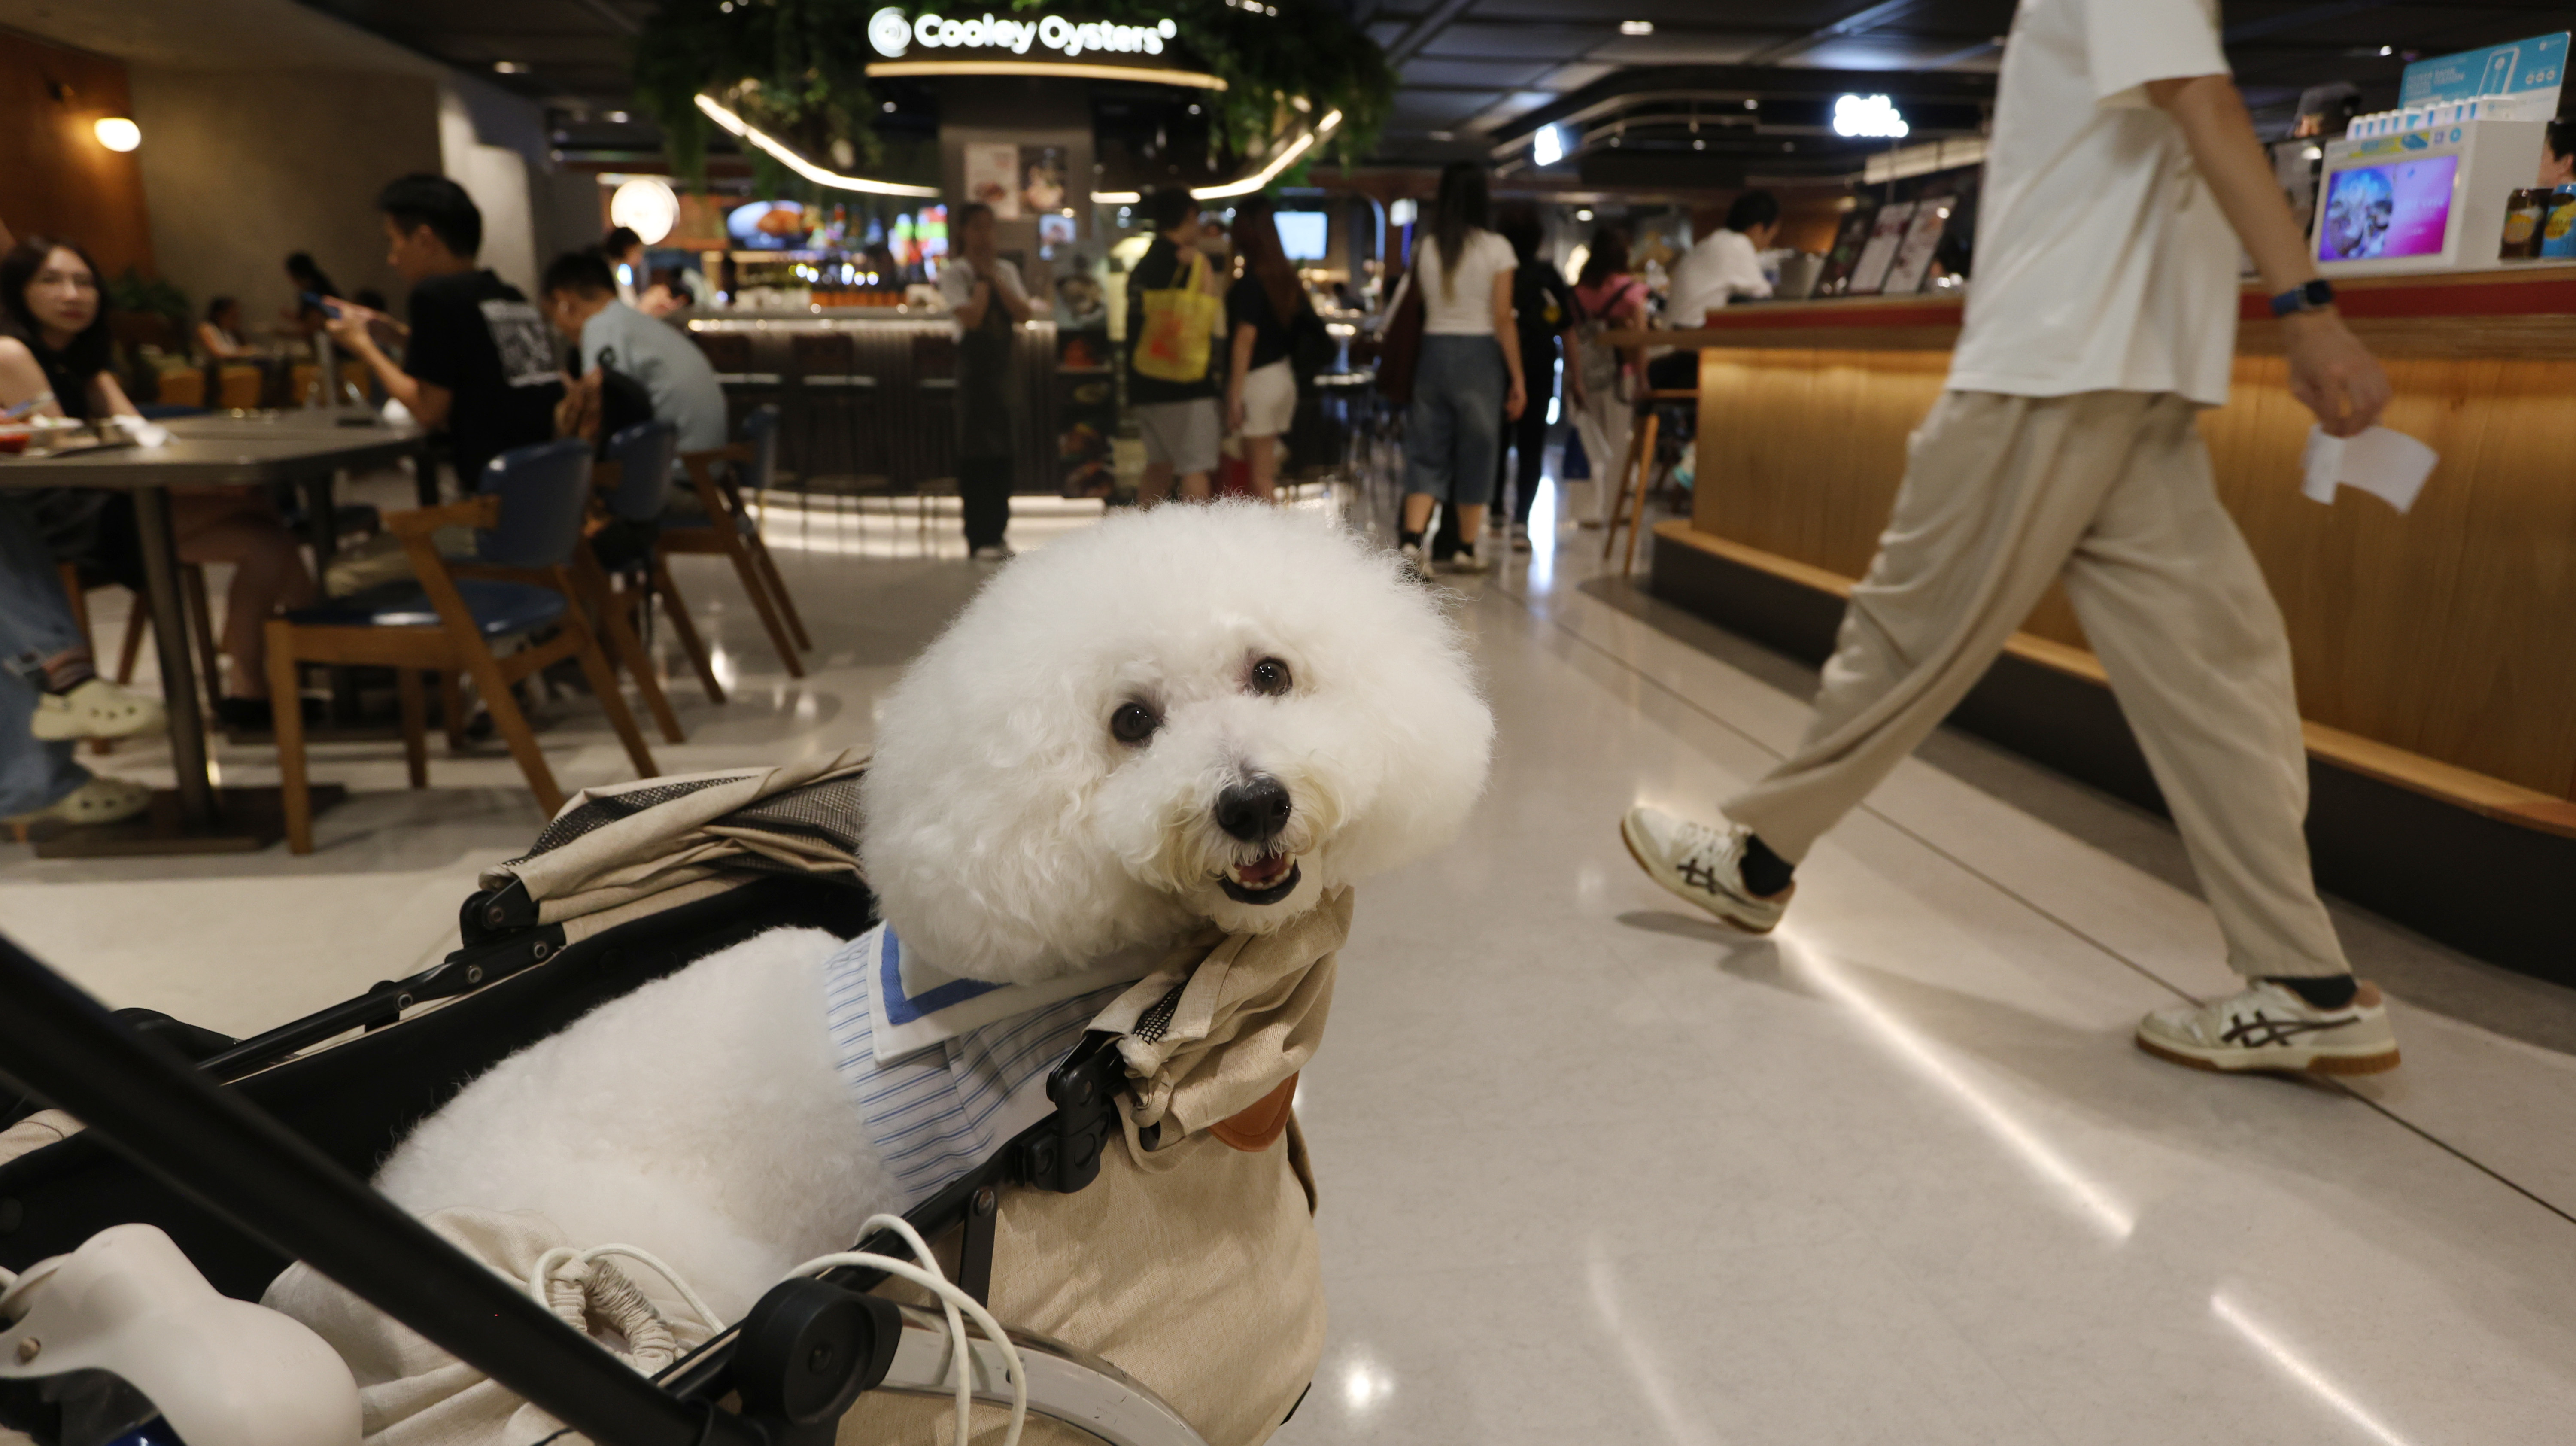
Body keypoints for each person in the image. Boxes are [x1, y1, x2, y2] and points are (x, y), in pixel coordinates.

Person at [1620, 0, 2403, 1076]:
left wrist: (2307, 310)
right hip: (2127, 373)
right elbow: (2188, 114)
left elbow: (2204, 102)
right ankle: (2305, 982)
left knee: (1914, 629)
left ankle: (1755, 865)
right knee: (2215, 680)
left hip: (2056, 362)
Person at [1, 236, 318, 731]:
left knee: (266, 537)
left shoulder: (84, 362)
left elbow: (141, 437)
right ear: (18, 291)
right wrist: (201, 489)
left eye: (84, 282)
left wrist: (195, 480)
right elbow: (74, 456)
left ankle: (255, 680)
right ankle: (309, 643)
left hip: (108, 494)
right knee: (258, 510)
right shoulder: (11, 353)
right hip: (60, 516)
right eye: (52, 281)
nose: (73, 294)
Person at [328, 174, 565, 497]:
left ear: (425, 240)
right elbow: (475, 358)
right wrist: (396, 335)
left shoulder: (434, 295)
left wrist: (364, 347)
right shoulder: (508, 295)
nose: (392, 258)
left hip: (496, 498)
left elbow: (428, 412)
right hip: (549, 486)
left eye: (394, 241)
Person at [1392, 162, 1524, 577]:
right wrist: (1518, 377)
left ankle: (1413, 542)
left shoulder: (1428, 247)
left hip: (1433, 353)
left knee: (1427, 449)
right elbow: (1503, 318)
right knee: (1478, 451)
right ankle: (1465, 548)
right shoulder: (1497, 248)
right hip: (1479, 356)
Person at [538, 249, 726, 461]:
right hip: (707, 461)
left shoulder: (601, 328)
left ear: (565, 303)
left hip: (680, 469)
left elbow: (597, 419)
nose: (558, 329)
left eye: (552, 317)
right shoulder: (631, 321)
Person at [937, 201, 1031, 560]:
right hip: (974, 376)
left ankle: (1000, 533)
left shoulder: (1007, 270)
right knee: (975, 456)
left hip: (1005, 374)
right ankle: (978, 538)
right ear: (963, 232)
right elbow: (973, 318)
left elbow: (1023, 313)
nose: (985, 235)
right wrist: (981, 281)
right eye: (977, 227)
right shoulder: (954, 274)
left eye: (990, 227)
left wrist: (995, 279)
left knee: (1005, 453)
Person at [1127, 188, 1225, 505]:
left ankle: (1143, 532)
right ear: (1189, 216)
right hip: (1185, 382)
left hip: (1144, 377)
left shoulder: (1144, 264)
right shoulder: (1188, 261)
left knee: (1159, 466)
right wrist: (1203, 266)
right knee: (1194, 468)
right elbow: (1207, 311)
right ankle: (1195, 537)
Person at [1494, 204, 1580, 553]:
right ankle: (1520, 522)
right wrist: (1577, 377)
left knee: (1497, 441)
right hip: (1540, 368)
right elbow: (1567, 329)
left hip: (1499, 366)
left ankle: (1495, 511)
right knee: (1532, 446)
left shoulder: (1501, 273)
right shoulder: (1547, 276)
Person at [1222, 197, 1308, 504]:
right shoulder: (1283, 279)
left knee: (1260, 478)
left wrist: (1234, 396)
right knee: (1264, 472)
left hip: (1258, 381)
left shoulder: (1251, 283)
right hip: (1282, 376)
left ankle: (1274, 533)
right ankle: (1271, 529)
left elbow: (1245, 340)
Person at [1569, 227, 1648, 529]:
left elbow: (1570, 335)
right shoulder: (1630, 291)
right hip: (1619, 376)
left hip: (1583, 375)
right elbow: (1640, 339)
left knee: (1587, 443)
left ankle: (1586, 512)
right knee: (1618, 446)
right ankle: (1618, 508)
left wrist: (1575, 378)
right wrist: (1643, 378)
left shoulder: (1578, 292)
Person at [197, 297, 257, 361]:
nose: (237, 319)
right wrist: (245, 352)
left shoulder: (228, 332)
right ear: (219, 314)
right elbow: (218, 354)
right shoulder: (206, 328)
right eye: (233, 316)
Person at [602, 226, 647, 306]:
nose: (640, 258)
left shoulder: (620, 269)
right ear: (627, 249)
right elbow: (629, 304)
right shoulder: (618, 270)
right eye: (637, 252)